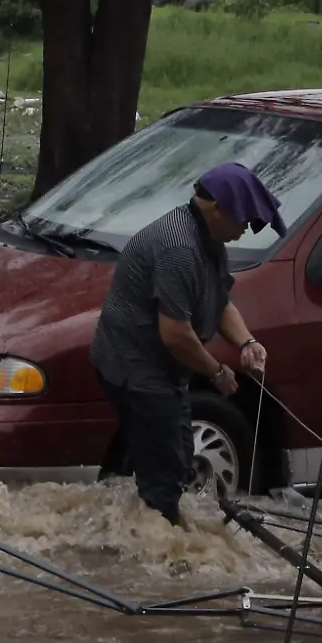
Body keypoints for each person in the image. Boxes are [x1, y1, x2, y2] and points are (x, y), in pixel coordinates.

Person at [89, 163, 280, 524]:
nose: (245, 230)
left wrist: (247, 343)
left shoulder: (210, 241)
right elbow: (175, 334)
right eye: (242, 220)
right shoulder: (179, 248)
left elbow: (219, 300)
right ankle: (157, 553)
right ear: (217, 208)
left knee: (174, 455)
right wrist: (218, 371)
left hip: (163, 367)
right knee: (165, 469)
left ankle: (147, 524)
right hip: (135, 366)